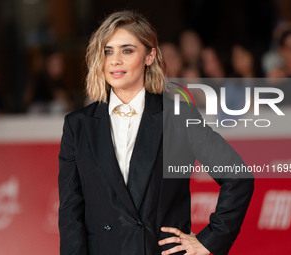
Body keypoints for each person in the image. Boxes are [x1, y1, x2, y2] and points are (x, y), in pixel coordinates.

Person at [58, 10, 254, 255]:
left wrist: (209, 240)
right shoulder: (77, 125)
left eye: (127, 50)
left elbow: (238, 176)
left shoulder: (178, 116)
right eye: (108, 50)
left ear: (149, 56)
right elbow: (70, 211)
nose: (115, 60)